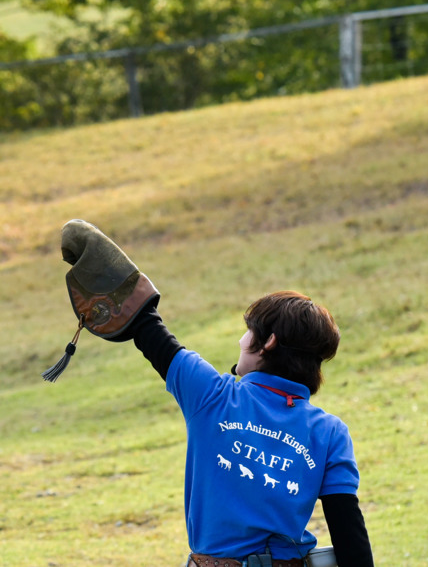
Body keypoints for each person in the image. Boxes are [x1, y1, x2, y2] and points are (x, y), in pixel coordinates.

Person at [54, 220, 374, 567]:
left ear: (268, 343)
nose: (241, 340)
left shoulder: (214, 396)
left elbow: (149, 329)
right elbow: (349, 534)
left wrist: (103, 264)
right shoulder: (330, 433)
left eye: (248, 331)